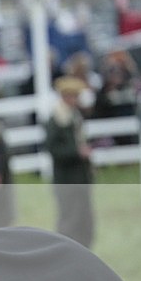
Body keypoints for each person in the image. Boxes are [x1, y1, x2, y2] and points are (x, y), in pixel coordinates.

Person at [45, 75, 95, 248]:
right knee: (69, 219)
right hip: (66, 177)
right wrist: (76, 152)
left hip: (79, 176)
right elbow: (52, 149)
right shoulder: (57, 119)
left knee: (84, 218)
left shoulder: (74, 115)